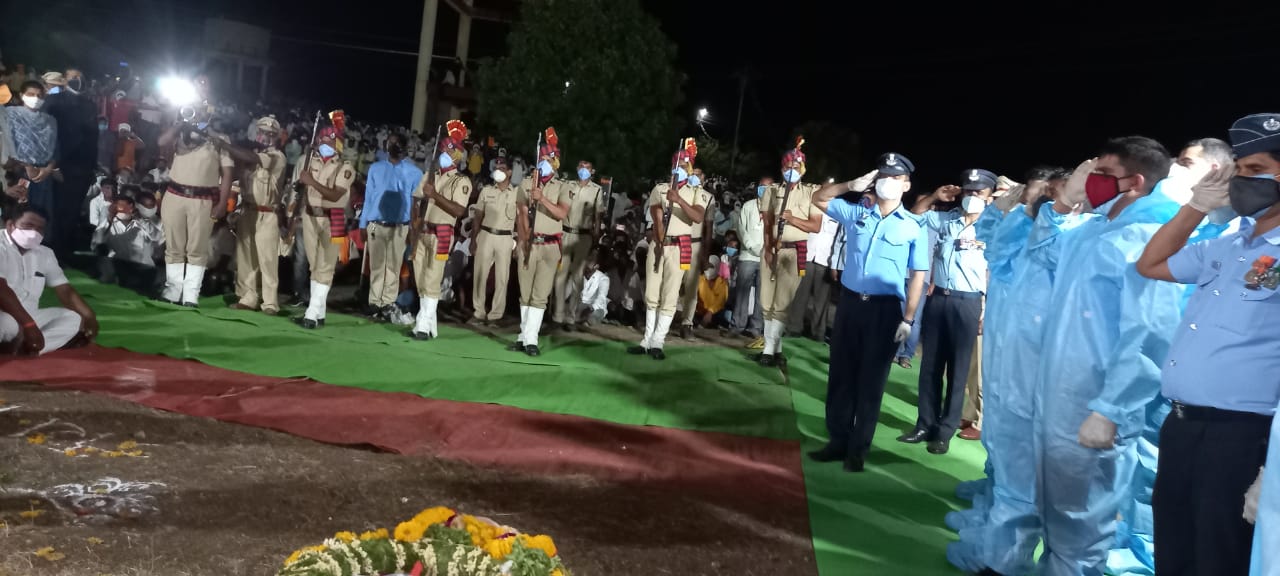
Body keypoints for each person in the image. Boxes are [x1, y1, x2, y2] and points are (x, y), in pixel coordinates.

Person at [1032, 136, 1218, 576]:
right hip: (1059, 392)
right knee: (1057, 512)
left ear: (1135, 182)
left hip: (1096, 399)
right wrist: (1062, 202)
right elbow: (1039, 249)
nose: (1093, 181)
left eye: (1102, 174)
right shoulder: (1094, 229)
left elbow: (1149, 333)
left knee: (1085, 520)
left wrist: (1112, 408)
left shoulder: (1146, 236)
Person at [1137, 116, 1280, 576]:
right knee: (1175, 544)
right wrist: (1196, 207)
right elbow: (1151, 263)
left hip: (1242, 436)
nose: (1240, 180)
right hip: (1182, 424)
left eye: (1253, 169)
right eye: (1236, 169)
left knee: (1218, 557)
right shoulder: (1229, 242)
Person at [945, 167, 1071, 575]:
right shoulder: (1022, 229)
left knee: (1032, 484)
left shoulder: (1070, 237)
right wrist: (1014, 198)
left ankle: (1006, 557)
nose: (1036, 203)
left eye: (1045, 196)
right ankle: (991, 537)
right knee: (1003, 463)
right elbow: (989, 229)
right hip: (1009, 365)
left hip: (1041, 377)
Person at [808, 152, 928, 472]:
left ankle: (858, 449)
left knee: (871, 382)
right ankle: (837, 441)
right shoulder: (857, 213)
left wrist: (909, 318)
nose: (887, 182)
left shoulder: (914, 227)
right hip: (849, 305)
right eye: (883, 176)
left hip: (884, 310)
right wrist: (848, 184)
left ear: (906, 184)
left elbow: (918, 275)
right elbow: (817, 198)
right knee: (841, 376)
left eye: (895, 177)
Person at [901, 169, 996, 454]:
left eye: (979, 192)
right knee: (930, 367)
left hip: (969, 303)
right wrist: (933, 196)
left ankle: (944, 430)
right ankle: (924, 424)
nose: (972, 197)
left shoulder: (994, 228)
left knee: (958, 370)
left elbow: (994, 271)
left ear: (990, 197)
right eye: (968, 191)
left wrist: (985, 307)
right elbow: (914, 215)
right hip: (939, 298)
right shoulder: (946, 219)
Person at [627, 138, 709, 361]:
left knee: (670, 294)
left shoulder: (695, 191)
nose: (681, 169)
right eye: (678, 165)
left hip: (681, 245)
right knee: (652, 293)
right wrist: (660, 241)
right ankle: (646, 340)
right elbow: (655, 216)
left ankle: (658, 341)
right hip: (660, 243)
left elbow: (697, 216)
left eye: (685, 166)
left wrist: (679, 200)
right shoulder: (660, 189)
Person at [156, 89, 237, 307]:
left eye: (201, 111)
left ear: (208, 113)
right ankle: (173, 291)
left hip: (202, 199)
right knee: (174, 246)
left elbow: (227, 174)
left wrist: (222, 203)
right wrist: (181, 122)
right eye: (194, 110)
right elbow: (161, 141)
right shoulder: (181, 135)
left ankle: (191, 295)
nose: (197, 114)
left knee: (197, 249)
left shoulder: (219, 139)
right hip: (174, 195)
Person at [757, 137, 824, 366]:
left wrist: (793, 219)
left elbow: (815, 225)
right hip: (772, 250)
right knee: (766, 300)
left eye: (796, 167)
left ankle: (768, 349)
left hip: (794, 252)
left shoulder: (810, 194)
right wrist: (767, 247)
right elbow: (767, 222)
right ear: (782, 168)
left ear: (802, 170)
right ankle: (775, 349)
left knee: (783, 302)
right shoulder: (772, 191)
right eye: (788, 167)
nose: (791, 171)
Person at [0, 206, 97, 355]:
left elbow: (64, 289)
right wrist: (29, 325)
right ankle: (23, 342)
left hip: (30, 316)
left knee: (73, 318)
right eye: (28, 226)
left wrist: (90, 317)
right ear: (10, 225)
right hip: (5, 316)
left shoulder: (45, 253)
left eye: (40, 228)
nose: (34, 232)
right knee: (7, 324)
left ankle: (29, 349)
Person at [411, 119, 472, 340]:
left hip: (442, 233)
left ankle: (422, 326)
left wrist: (434, 195)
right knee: (420, 279)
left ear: (457, 155)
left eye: (448, 150)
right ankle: (430, 320)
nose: (443, 153)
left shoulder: (461, 181)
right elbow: (416, 200)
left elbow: (458, 210)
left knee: (433, 278)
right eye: (443, 149)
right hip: (423, 231)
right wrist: (414, 223)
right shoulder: (430, 175)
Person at [510, 127, 568, 356]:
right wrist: (523, 241)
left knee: (540, 294)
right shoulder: (526, 183)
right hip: (530, 243)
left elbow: (562, 214)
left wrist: (542, 198)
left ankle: (531, 339)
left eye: (548, 159)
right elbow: (521, 213)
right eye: (541, 158)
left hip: (551, 245)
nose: (543, 163)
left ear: (555, 162)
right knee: (525, 293)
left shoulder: (563, 186)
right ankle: (524, 336)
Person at [294, 122, 356, 329]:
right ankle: (318, 312)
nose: (324, 143)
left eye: (329, 140)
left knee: (326, 266)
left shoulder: (344, 167)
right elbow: (300, 191)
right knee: (314, 265)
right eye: (322, 139)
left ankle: (312, 312)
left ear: (337, 143)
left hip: (333, 218)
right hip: (310, 216)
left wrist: (311, 182)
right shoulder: (310, 161)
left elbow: (336, 194)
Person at [228, 116, 288, 315]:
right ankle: (248, 297)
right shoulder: (251, 156)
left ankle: (270, 303)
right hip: (248, 211)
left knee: (267, 260)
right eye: (263, 132)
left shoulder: (277, 156)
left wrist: (224, 144)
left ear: (277, 137)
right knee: (246, 259)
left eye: (271, 134)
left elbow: (252, 159)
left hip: (267, 213)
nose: (266, 137)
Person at [360, 132, 422, 320]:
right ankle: (374, 303)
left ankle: (387, 304)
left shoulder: (415, 172)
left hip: (400, 226)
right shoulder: (375, 168)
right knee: (377, 265)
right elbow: (368, 197)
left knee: (393, 267)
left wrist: (413, 229)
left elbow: (416, 205)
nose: (392, 146)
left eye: (396, 144)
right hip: (376, 223)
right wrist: (363, 223)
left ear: (403, 148)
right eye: (390, 143)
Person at [41, 71, 97, 257]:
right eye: (73, 76)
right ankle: (49, 252)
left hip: (81, 168)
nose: (77, 80)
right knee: (54, 211)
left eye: (81, 76)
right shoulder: (53, 101)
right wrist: (53, 164)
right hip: (57, 165)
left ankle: (63, 253)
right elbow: (45, 132)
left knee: (72, 212)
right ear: (64, 80)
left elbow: (92, 138)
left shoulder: (90, 104)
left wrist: (92, 168)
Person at [552, 160, 605, 331]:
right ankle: (558, 315)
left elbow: (598, 217)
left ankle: (571, 317)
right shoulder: (568, 185)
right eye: (581, 166)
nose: (584, 170)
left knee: (577, 277)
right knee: (560, 275)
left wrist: (595, 242)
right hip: (565, 232)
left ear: (593, 171)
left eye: (587, 167)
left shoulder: (596, 190)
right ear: (577, 168)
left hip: (583, 236)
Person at [5, 81, 58, 243]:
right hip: (17, 174)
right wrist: (26, 166)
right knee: (18, 218)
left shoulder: (50, 121)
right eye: (31, 94)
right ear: (21, 96)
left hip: (43, 177)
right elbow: (5, 146)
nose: (35, 98)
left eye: (39, 95)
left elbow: (56, 149)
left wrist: (48, 169)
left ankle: (38, 257)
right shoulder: (9, 115)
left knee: (41, 219)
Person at [469, 158, 516, 327]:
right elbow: (478, 216)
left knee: (502, 277)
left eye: (502, 168)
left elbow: (522, 218)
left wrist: (518, 242)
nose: (498, 171)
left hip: (505, 237)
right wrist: (474, 238)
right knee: (480, 274)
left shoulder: (516, 193)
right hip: (486, 234)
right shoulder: (486, 191)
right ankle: (478, 312)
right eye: (496, 168)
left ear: (509, 172)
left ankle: (496, 315)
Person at [677, 167, 716, 339]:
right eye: (693, 173)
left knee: (691, 287)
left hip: (694, 245)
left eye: (699, 174)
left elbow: (708, 228)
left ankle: (687, 323)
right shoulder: (680, 192)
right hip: (677, 242)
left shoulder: (708, 198)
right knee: (672, 283)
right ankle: (666, 317)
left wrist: (704, 254)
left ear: (704, 178)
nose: (695, 176)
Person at [733, 179, 767, 341]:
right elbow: (741, 229)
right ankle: (737, 325)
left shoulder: (776, 208)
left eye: (767, 187)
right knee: (742, 291)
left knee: (762, 295)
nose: (764, 190)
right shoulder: (748, 206)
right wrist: (752, 247)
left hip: (766, 258)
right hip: (747, 255)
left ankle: (756, 327)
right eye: (762, 187)